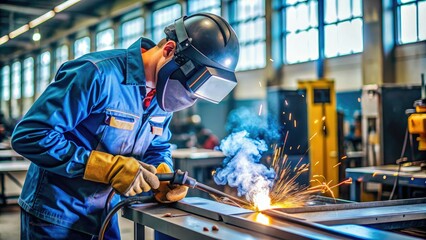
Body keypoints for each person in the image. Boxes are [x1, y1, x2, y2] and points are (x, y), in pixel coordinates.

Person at [11, 13, 239, 239]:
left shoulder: (162, 95)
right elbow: (30, 135)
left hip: (106, 214)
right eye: (189, 83)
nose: (189, 96)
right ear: (169, 50)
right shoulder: (96, 73)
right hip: (54, 217)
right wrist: (107, 167)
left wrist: (162, 173)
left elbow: (156, 147)